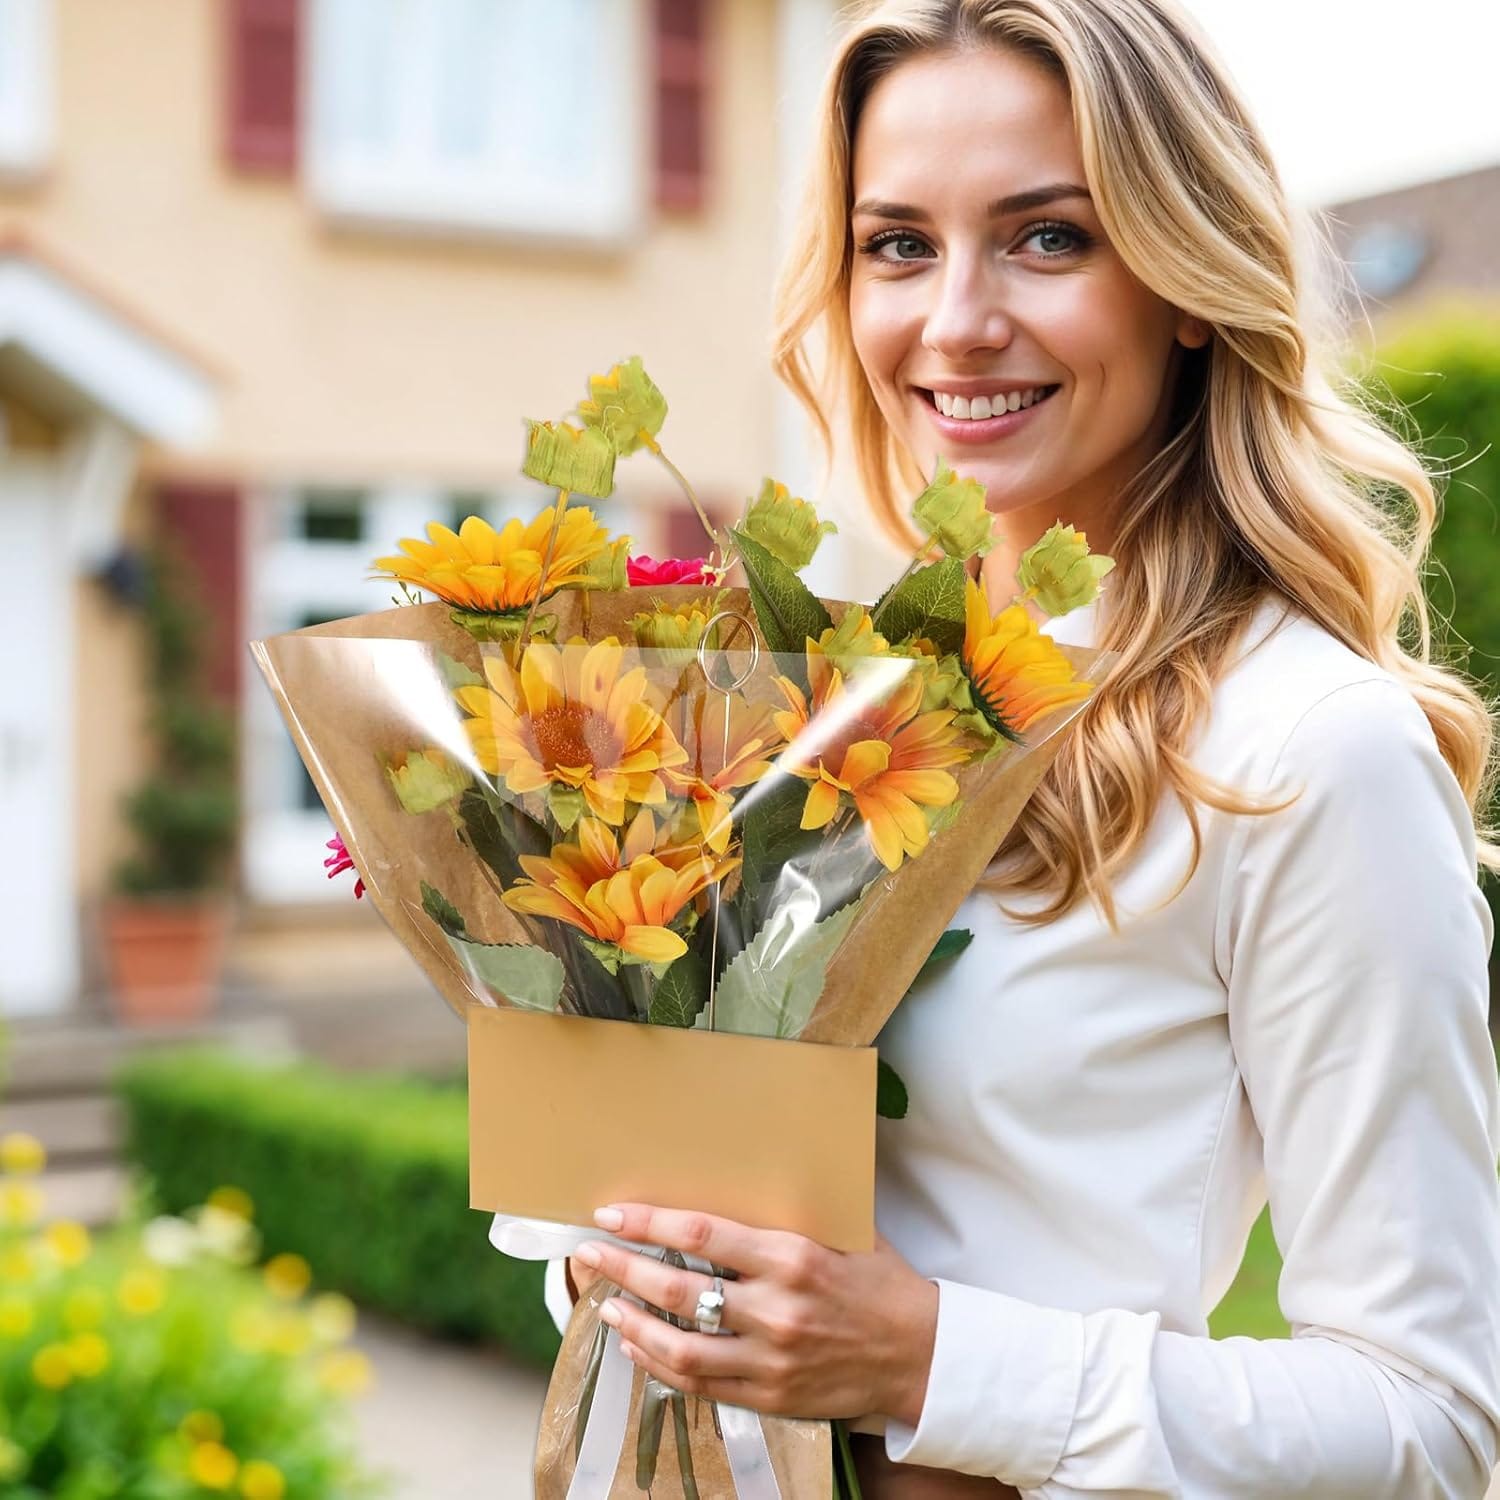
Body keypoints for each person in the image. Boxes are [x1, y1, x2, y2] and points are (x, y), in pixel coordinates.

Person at [550, 1, 1500, 1493]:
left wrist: (929, 1365)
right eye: (899, 245)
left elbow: (1433, 1430)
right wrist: (640, 1258)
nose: (956, 321)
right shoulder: (837, 705)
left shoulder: (1313, 747)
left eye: (1049, 237)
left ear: (1187, 280)